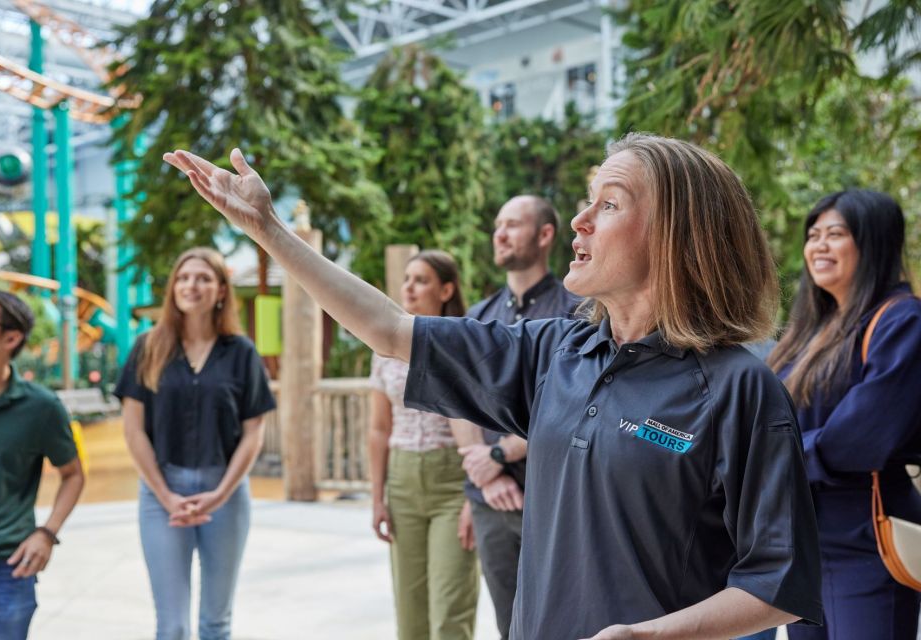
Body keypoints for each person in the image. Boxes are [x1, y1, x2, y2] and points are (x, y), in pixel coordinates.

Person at [164, 132, 822, 639]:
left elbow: (776, 583)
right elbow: (394, 330)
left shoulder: (740, 389)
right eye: (586, 201)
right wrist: (268, 230)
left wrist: (652, 635)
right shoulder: (556, 351)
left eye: (609, 204)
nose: (579, 221)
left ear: (678, 234)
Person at [767, 190, 921, 640]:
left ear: (873, 243)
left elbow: (861, 437)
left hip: (863, 536)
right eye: (813, 235)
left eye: (836, 234)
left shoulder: (902, 321)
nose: (819, 246)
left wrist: (774, 456)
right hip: (803, 539)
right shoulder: (810, 330)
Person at [114, 247, 276, 640]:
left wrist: (220, 494)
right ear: (173, 289)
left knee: (216, 623)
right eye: (184, 278)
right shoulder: (148, 347)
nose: (192, 285)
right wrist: (166, 495)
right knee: (171, 626)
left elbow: (254, 430)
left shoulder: (241, 353)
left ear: (221, 290)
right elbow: (133, 430)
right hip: (161, 492)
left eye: (203, 278)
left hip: (226, 491)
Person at [451, 194, 579, 640]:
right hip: (491, 501)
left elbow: (573, 404)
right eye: (497, 225)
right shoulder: (479, 317)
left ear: (545, 235)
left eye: (513, 225)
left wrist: (501, 453)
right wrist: (484, 471)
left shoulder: (578, 313)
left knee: (564, 624)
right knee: (509, 627)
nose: (499, 234)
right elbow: (458, 401)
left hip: (554, 498)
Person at [0, 287, 84, 639]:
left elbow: (73, 474)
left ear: (11, 337)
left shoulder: (41, 408)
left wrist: (47, 533)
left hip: (7, 566)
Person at [369, 249, 479, 640]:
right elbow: (379, 428)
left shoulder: (465, 343)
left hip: (452, 481)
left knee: (450, 614)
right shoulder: (383, 346)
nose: (409, 287)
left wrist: (473, 496)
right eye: (407, 279)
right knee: (410, 616)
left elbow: (476, 422)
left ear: (446, 289)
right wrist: (378, 496)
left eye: (422, 280)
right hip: (402, 480)